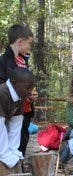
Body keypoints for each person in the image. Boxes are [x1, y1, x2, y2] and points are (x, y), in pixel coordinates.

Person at [0, 23, 35, 156]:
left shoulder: (24, 61)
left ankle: (17, 167)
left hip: (24, 111)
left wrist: (31, 95)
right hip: (6, 111)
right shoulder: (2, 61)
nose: (29, 47)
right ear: (20, 42)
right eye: (29, 43)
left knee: (21, 143)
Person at [0, 68, 35, 168]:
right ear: (14, 83)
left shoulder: (20, 96)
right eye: (27, 87)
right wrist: (5, 155)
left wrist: (13, 151)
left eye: (32, 88)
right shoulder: (2, 92)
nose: (30, 92)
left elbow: (16, 125)